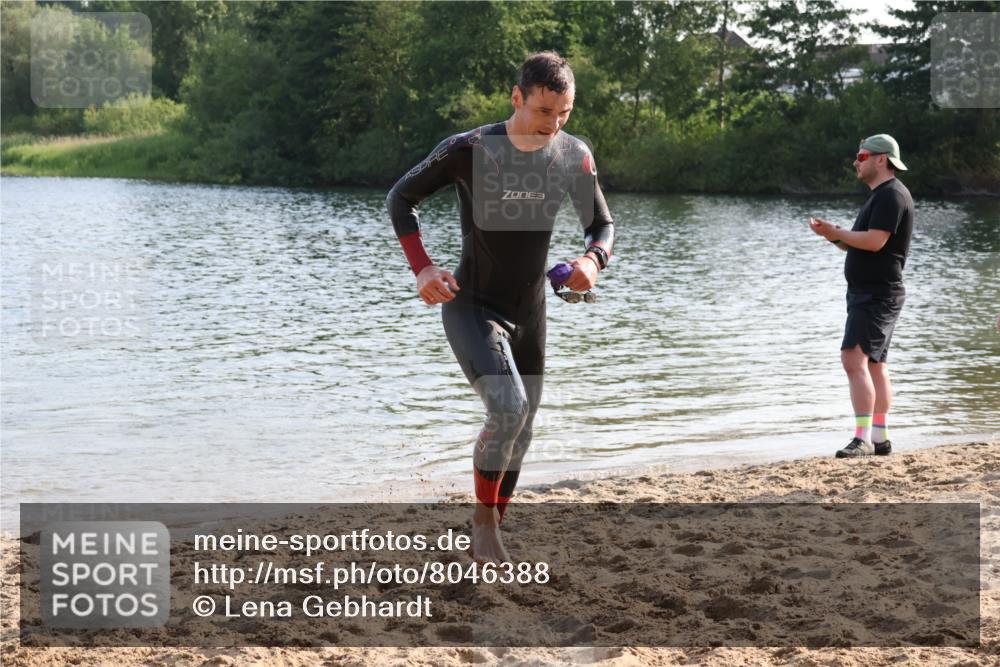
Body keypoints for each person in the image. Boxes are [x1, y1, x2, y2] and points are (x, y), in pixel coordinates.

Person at [385, 52, 615, 561]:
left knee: (525, 423)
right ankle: (484, 525)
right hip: (473, 304)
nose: (553, 125)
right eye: (543, 111)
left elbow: (601, 224)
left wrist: (593, 262)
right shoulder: (470, 149)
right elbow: (401, 198)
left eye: (565, 113)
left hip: (531, 310)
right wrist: (422, 267)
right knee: (507, 410)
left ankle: (494, 523)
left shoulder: (573, 155)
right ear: (517, 98)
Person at [809, 134, 913, 458]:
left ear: (882, 159)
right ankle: (880, 437)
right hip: (872, 293)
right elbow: (860, 240)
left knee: (853, 358)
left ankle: (863, 438)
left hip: (876, 294)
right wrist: (833, 236)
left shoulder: (891, 195)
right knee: (875, 364)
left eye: (862, 155)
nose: (856, 161)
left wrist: (839, 233)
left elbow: (876, 241)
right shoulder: (879, 195)